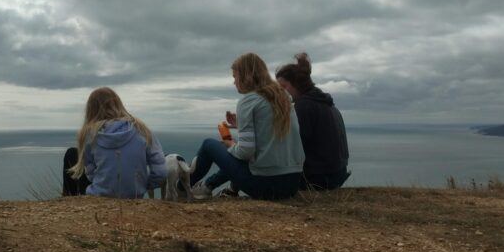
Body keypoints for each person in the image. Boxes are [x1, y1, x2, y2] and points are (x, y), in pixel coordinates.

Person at [189, 53, 305, 200]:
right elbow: (268, 131)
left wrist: (229, 142)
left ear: (246, 75)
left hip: (265, 186)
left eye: (235, 76)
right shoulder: (283, 98)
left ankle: (181, 188)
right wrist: (240, 124)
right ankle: (207, 186)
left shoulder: (248, 101)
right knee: (233, 151)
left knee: (209, 145)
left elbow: (245, 152)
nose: (234, 82)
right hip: (292, 184)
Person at [63, 87, 167, 198]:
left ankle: (67, 198)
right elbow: (161, 172)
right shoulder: (142, 129)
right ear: (118, 104)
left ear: (91, 110)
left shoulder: (90, 134)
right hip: (135, 194)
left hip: (100, 195)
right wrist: (144, 186)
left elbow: (90, 174)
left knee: (71, 153)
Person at [276, 53, 350, 190]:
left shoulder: (304, 106)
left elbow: (290, 147)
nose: (280, 93)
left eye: (283, 87)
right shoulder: (327, 104)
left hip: (318, 179)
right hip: (337, 175)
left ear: (296, 83)